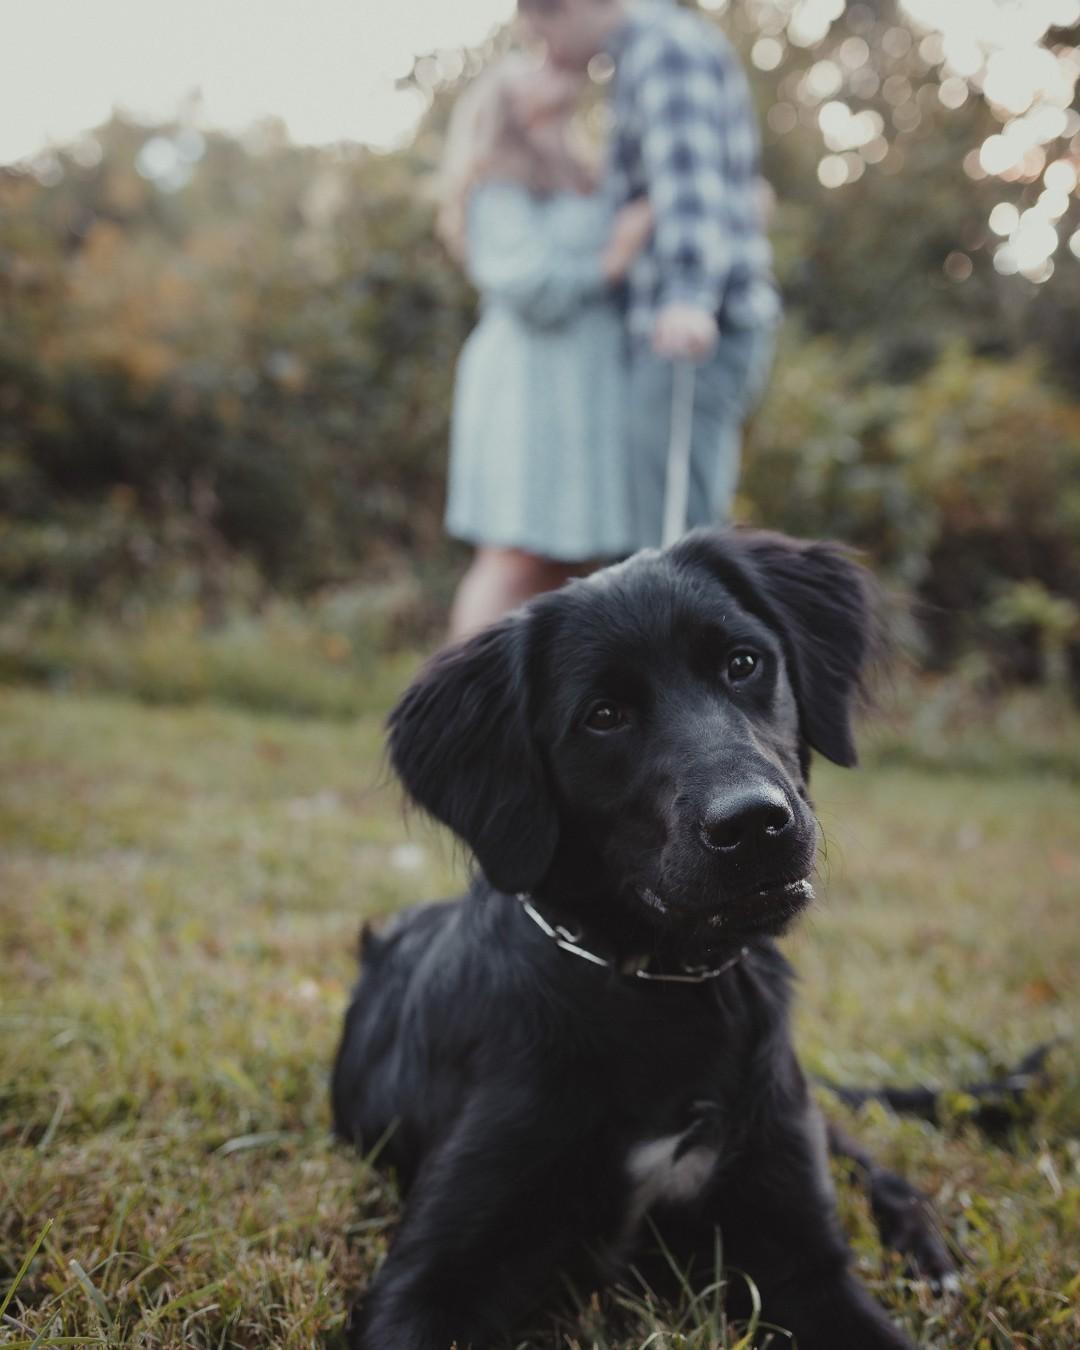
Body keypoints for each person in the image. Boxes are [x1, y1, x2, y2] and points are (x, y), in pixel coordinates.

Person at [517, 0, 780, 547]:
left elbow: (687, 185)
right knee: (671, 535)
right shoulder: (640, 58)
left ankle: (690, 639)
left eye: (543, 36)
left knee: (677, 545)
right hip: (667, 329)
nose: (551, 55)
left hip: (682, 332)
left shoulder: (662, 50)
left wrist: (687, 293)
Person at [438, 53, 654, 640]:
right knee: (514, 558)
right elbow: (525, 286)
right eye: (527, 68)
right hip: (527, 384)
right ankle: (460, 723)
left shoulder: (592, 170)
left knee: (572, 563)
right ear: (505, 104)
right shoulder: (497, 179)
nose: (548, 66)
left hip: (588, 385)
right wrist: (612, 260)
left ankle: (538, 722)